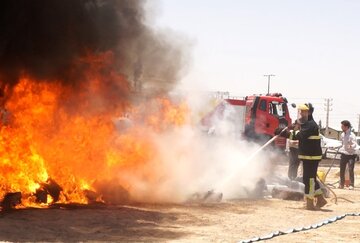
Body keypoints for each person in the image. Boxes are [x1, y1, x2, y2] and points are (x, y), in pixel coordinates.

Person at [280, 103, 327, 210]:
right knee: (311, 179)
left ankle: (310, 202)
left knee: (308, 179)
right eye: (300, 112)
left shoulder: (310, 125)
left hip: (311, 156)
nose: (301, 114)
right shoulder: (307, 124)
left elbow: (299, 136)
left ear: (309, 112)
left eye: (303, 112)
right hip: (308, 156)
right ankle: (320, 199)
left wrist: (285, 133)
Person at [338, 120, 357, 190]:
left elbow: (355, 144)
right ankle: (341, 184)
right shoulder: (342, 134)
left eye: (342, 126)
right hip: (344, 154)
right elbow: (341, 143)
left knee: (350, 169)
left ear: (346, 127)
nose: (341, 127)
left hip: (351, 155)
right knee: (342, 170)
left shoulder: (352, 135)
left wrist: (351, 146)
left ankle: (351, 185)